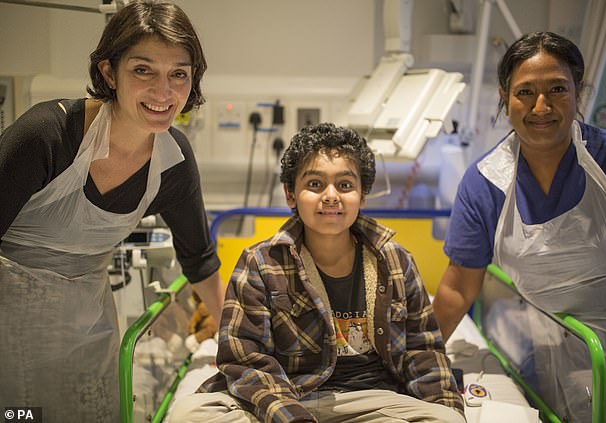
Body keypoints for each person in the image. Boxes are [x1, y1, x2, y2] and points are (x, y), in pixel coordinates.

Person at [0, 1, 224, 421]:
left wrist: (235, 339)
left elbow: (199, 258)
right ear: (108, 72)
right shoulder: (47, 135)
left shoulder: (173, 161)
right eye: (143, 70)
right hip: (7, 319)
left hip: (88, 326)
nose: (164, 93)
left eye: (179, 74)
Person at [170, 123, 465, 423]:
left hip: (372, 401)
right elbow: (244, 360)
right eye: (314, 184)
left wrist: (446, 409)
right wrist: (292, 417)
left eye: (345, 185)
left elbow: (423, 351)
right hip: (285, 394)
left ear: (362, 196)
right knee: (188, 414)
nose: (331, 196)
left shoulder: (396, 262)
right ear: (290, 194)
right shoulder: (260, 263)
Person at [433, 31, 606, 422]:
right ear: (505, 98)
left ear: (579, 94)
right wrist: (412, 359)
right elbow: (459, 286)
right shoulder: (485, 182)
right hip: (541, 358)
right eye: (525, 92)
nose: (541, 106)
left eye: (557, 88)